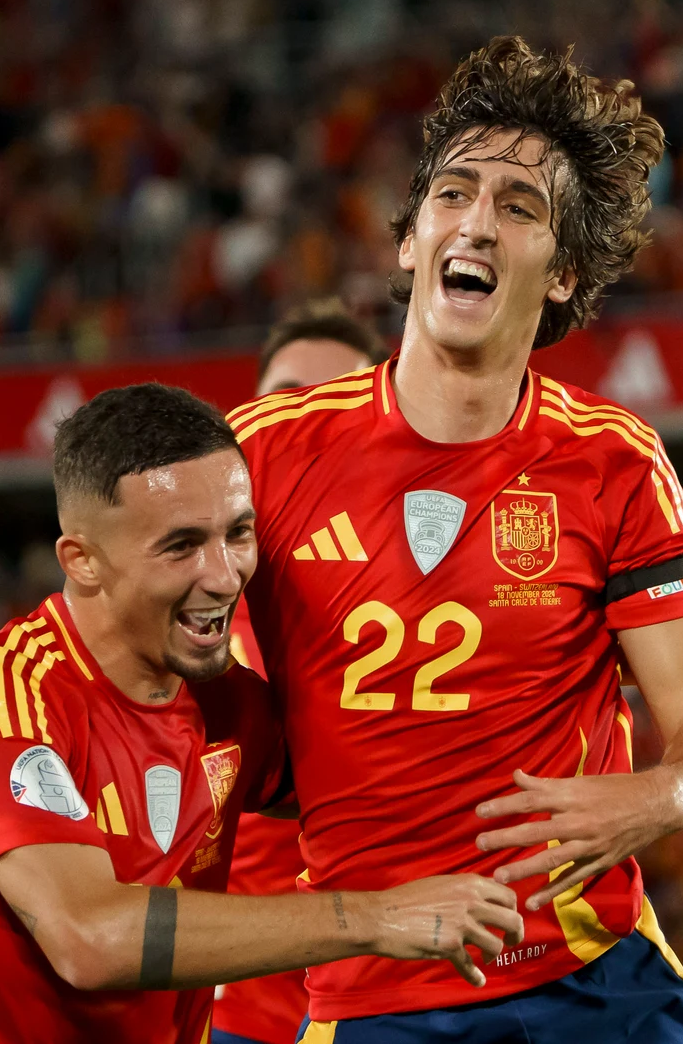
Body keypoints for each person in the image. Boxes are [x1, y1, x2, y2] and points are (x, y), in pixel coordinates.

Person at [0, 37, 683, 1043]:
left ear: (563, 273)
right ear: (410, 241)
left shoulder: (613, 460)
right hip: (372, 985)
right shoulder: (266, 450)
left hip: (587, 974)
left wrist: (654, 800)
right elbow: (94, 642)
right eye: (453, 195)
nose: (478, 223)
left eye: (519, 207)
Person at [0, 383, 522, 1044]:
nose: (224, 574)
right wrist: (374, 917)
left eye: (239, 533)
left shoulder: (229, 704)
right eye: (181, 545)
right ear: (83, 561)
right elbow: (89, 937)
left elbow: (388, 784)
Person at [217, 301, 390, 1044]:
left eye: (336, 404)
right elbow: (34, 710)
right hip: (233, 1019)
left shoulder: (443, 591)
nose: (304, 427)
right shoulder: (171, 604)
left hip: (396, 1004)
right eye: (286, 401)